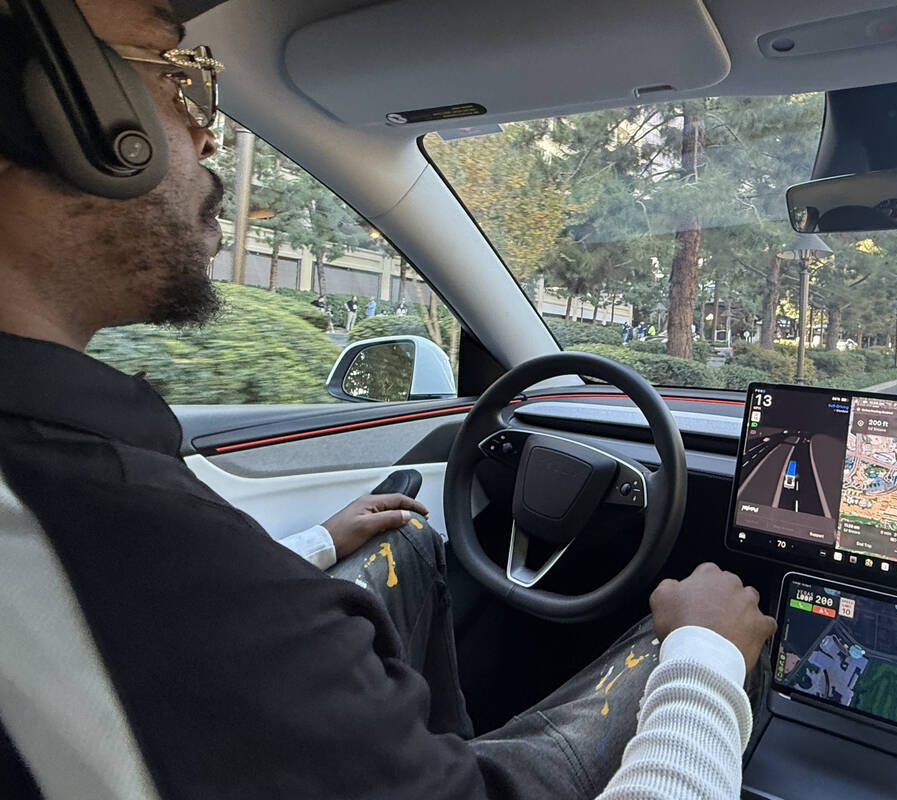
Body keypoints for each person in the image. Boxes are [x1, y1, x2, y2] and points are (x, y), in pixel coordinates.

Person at [0, 2, 775, 798]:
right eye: (180, 80)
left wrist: (309, 550)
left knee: (406, 547)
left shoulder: (80, 504)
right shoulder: (104, 535)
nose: (206, 135)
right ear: (70, 114)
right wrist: (707, 662)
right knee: (684, 631)